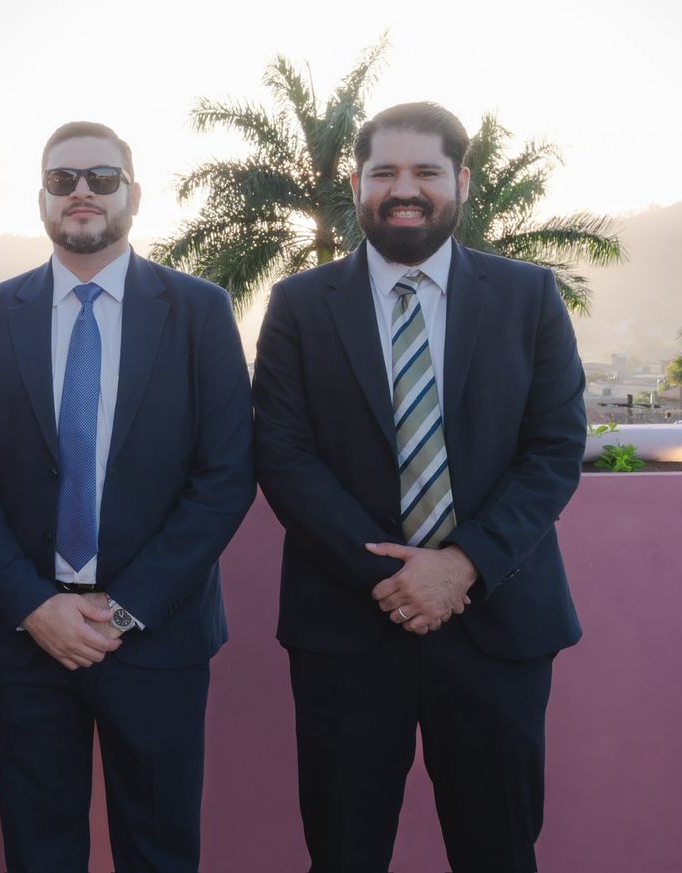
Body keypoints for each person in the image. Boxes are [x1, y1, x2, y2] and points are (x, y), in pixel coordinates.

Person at [252, 101, 586, 872]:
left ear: (461, 182)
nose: (405, 189)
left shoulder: (529, 297)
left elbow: (554, 448)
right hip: (349, 629)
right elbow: (284, 455)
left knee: (499, 852)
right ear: (357, 186)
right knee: (344, 853)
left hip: (497, 624)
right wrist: (398, 579)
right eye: (385, 173)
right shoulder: (299, 305)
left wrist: (460, 566)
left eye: (426, 171)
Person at [0, 120, 255, 873]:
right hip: (25, 639)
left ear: (133, 195)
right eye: (63, 179)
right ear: (42, 199)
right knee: (38, 851)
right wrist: (33, 605)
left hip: (157, 636)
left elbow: (226, 473)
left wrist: (125, 606)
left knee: (160, 851)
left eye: (101, 179)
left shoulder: (200, 311)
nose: (81, 192)